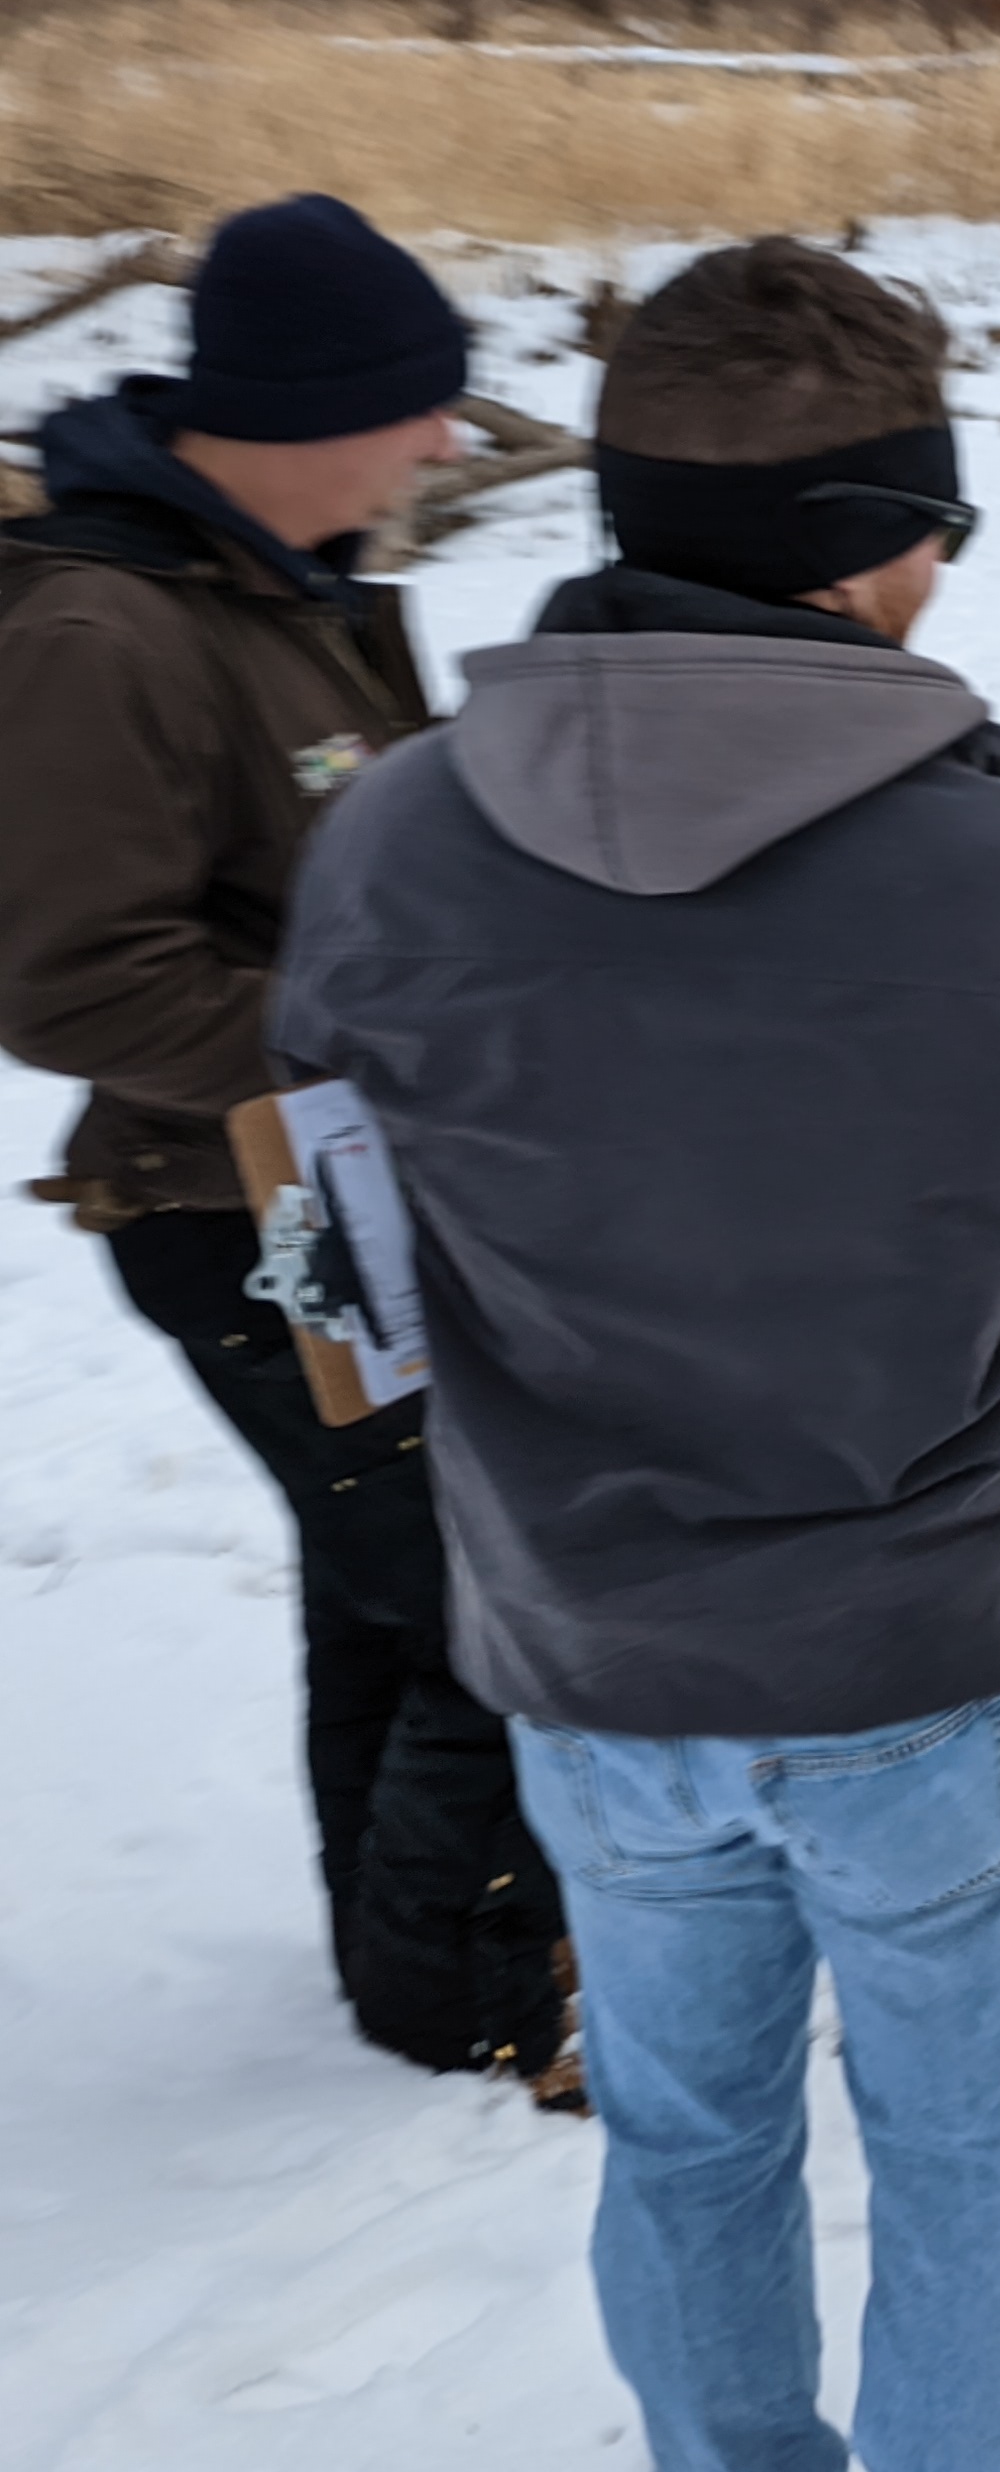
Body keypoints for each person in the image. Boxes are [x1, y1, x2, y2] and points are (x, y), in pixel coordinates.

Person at [271, 239, 1000, 2472]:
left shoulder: (390, 835)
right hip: (941, 1664)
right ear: (867, 539)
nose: (941, 570)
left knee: (689, 2137)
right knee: (967, 2154)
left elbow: (339, 1231)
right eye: (941, 522)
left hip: (592, 1660)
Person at [0, 193, 569, 2087]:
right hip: (235, 1212)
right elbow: (71, 980)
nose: (439, 444)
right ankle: (468, 2001)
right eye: (418, 408)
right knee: (489, 1598)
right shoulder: (108, 624)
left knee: (390, 1581)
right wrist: (381, 1053)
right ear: (307, 408)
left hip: (334, 1189)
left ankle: (395, 1952)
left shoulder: (272, 581)